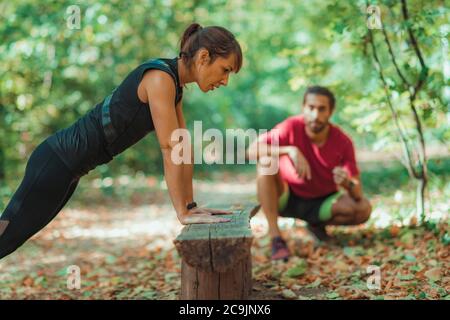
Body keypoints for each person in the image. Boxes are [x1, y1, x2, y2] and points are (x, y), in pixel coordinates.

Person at [0, 23, 243, 260]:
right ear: (203, 57)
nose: (225, 81)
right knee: (7, 235)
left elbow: (182, 147)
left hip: (68, 168)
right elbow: (169, 148)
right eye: (225, 69)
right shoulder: (159, 78)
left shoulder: (174, 85)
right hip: (56, 161)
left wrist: (190, 206)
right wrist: (182, 212)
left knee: (10, 237)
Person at [247, 86, 372, 261]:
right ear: (303, 108)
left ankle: (316, 224)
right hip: (287, 196)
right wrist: (289, 150)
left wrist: (348, 184)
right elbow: (251, 151)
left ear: (330, 112)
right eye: (311, 108)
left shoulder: (343, 141)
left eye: (322, 109)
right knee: (266, 160)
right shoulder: (291, 126)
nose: (315, 115)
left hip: (323, 202)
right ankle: (276, 238)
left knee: (363, 209)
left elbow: (358, 194)